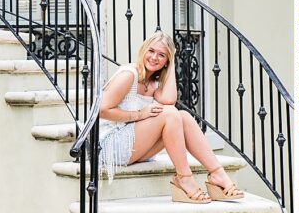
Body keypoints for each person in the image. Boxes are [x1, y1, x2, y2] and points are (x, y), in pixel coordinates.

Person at [98, 31, 244, 203]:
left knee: (183, 116)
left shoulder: (154, 82)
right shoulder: (129, 75)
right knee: (170, 114)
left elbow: (169, 100)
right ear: (143, 50)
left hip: (133, 145)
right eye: (151, 51)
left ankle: (217, 174)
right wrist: (139, 114)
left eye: (162, 55)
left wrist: (172, 62)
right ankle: (184, 177)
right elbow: (103, 110)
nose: (154, 58)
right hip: (110, 145)